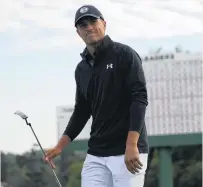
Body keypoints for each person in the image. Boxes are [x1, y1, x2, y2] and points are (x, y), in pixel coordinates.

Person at [45, 4, 149, 187]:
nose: (89, 27)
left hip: (127, 151)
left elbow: (139, 98)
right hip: (96, 154)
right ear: (78, 32)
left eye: (93, 21)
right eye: (83, 25)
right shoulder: (81, 69)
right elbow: (81, 111)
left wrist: (132, 145)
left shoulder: (125, 54)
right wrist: (59, 146)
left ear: (104, 24)